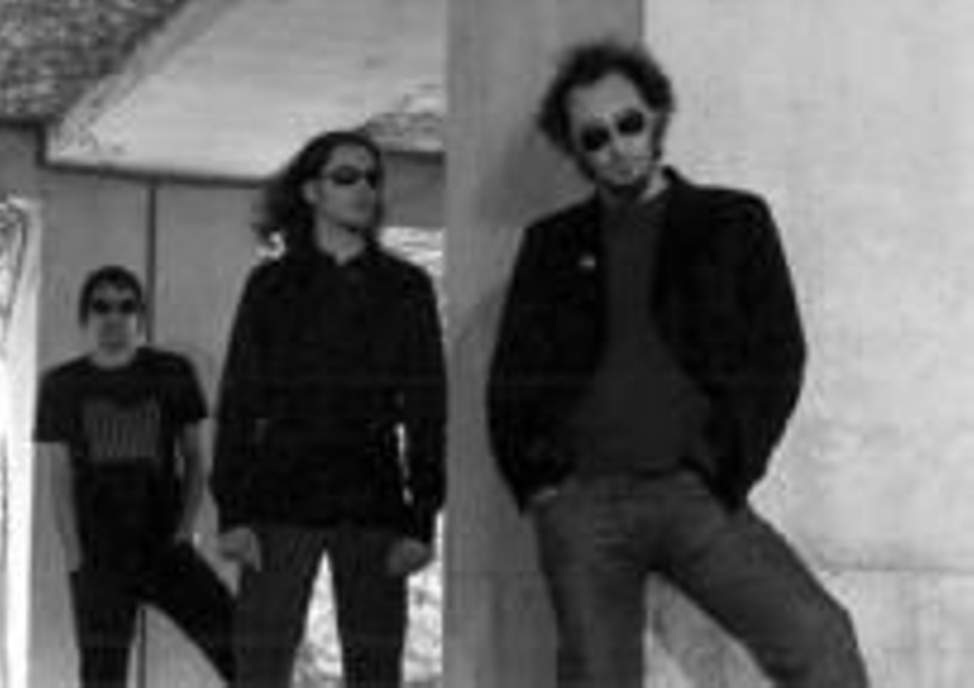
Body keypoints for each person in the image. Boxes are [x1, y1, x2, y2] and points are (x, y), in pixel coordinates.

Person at [488, 40, 869, 687]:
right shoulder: (550, 245)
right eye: (595, 137)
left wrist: (723, 464)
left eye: (628, 123)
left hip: (696, 496)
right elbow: (512, 377)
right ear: (577, 151)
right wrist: (541, 484)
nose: (618, 147)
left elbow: (777, 353)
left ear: (657, 113)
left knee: (821, 641)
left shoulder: (733, 221)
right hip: (583, 508)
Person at [212, 129, 447, 687]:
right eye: (346, 177)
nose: (364, 188)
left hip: (373, 499)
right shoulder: (271, 285)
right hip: (279, 497)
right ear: (311, 191)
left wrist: (422, 519)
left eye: (372, 178)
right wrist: (232, 512)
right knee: (260, 668)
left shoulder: (406, 286)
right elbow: (240, 398)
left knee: (375, 671)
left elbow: (427, 406)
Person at [34, 266, 236, 688]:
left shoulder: (172, 372)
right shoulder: (61, 385)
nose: (114, 316)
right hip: (99, 557)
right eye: (102, 306)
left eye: (126, 307)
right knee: (102, 678)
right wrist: (75, 559)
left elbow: (195, 459)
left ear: (140, 318)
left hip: (165, 546)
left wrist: (184, 530)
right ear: (85, 317)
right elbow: (59, 477)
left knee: (240, 646)